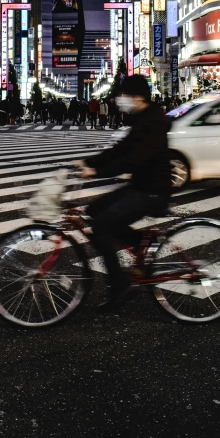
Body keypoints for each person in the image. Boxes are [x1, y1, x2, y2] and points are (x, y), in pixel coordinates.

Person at [74, 75, 171, 311]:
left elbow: (133, 159)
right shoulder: (141, 118)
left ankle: (119, 286)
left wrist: (95, 171)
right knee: (93, 210)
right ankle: (140, 243)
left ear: (138, 97)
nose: (120, 100)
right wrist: (88, 161)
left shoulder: (154, 121)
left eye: (124, 95)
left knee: (101, 226)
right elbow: (120, 150)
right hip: (141, 185)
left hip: (153, 190)